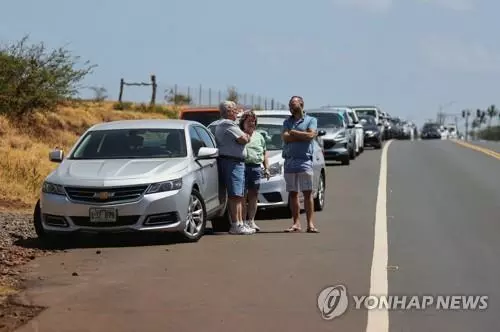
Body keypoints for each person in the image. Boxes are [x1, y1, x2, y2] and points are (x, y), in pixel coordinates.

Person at [214, 101, 255, 235]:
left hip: (235, 162)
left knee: (238, 195)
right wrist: (248, 133)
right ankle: (236, 224)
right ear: (229, 111)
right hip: (232, 162)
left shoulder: (226, 124)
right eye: (235, 110)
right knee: (235, 195)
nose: (237, 112)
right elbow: (243, 139)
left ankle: (240, 223)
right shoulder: (227, 124)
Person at [281, 96, 319, 233]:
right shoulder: (287, 121)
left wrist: (294, 132)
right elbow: (285, 137)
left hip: (304, 160)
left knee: (308, 193)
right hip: (290, 160)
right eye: (290, 104)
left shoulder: (311, 120)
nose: (291, 106)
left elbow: (310, 136)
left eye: (294, 103)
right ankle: (296, 223)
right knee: (293, 193)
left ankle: (310, 224)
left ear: (301, 104)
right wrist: (302, 135)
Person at [239, 110, 270, 232]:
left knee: (253, 195)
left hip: (256, 168)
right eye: (248, 121)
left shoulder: (259, 136)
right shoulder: (239, 134)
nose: (251, 123)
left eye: (253, 121)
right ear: (243, 123)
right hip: (242, 167)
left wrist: (266, 168)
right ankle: (242, 221)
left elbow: (264, 153)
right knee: (242, 195)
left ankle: (251, 221)